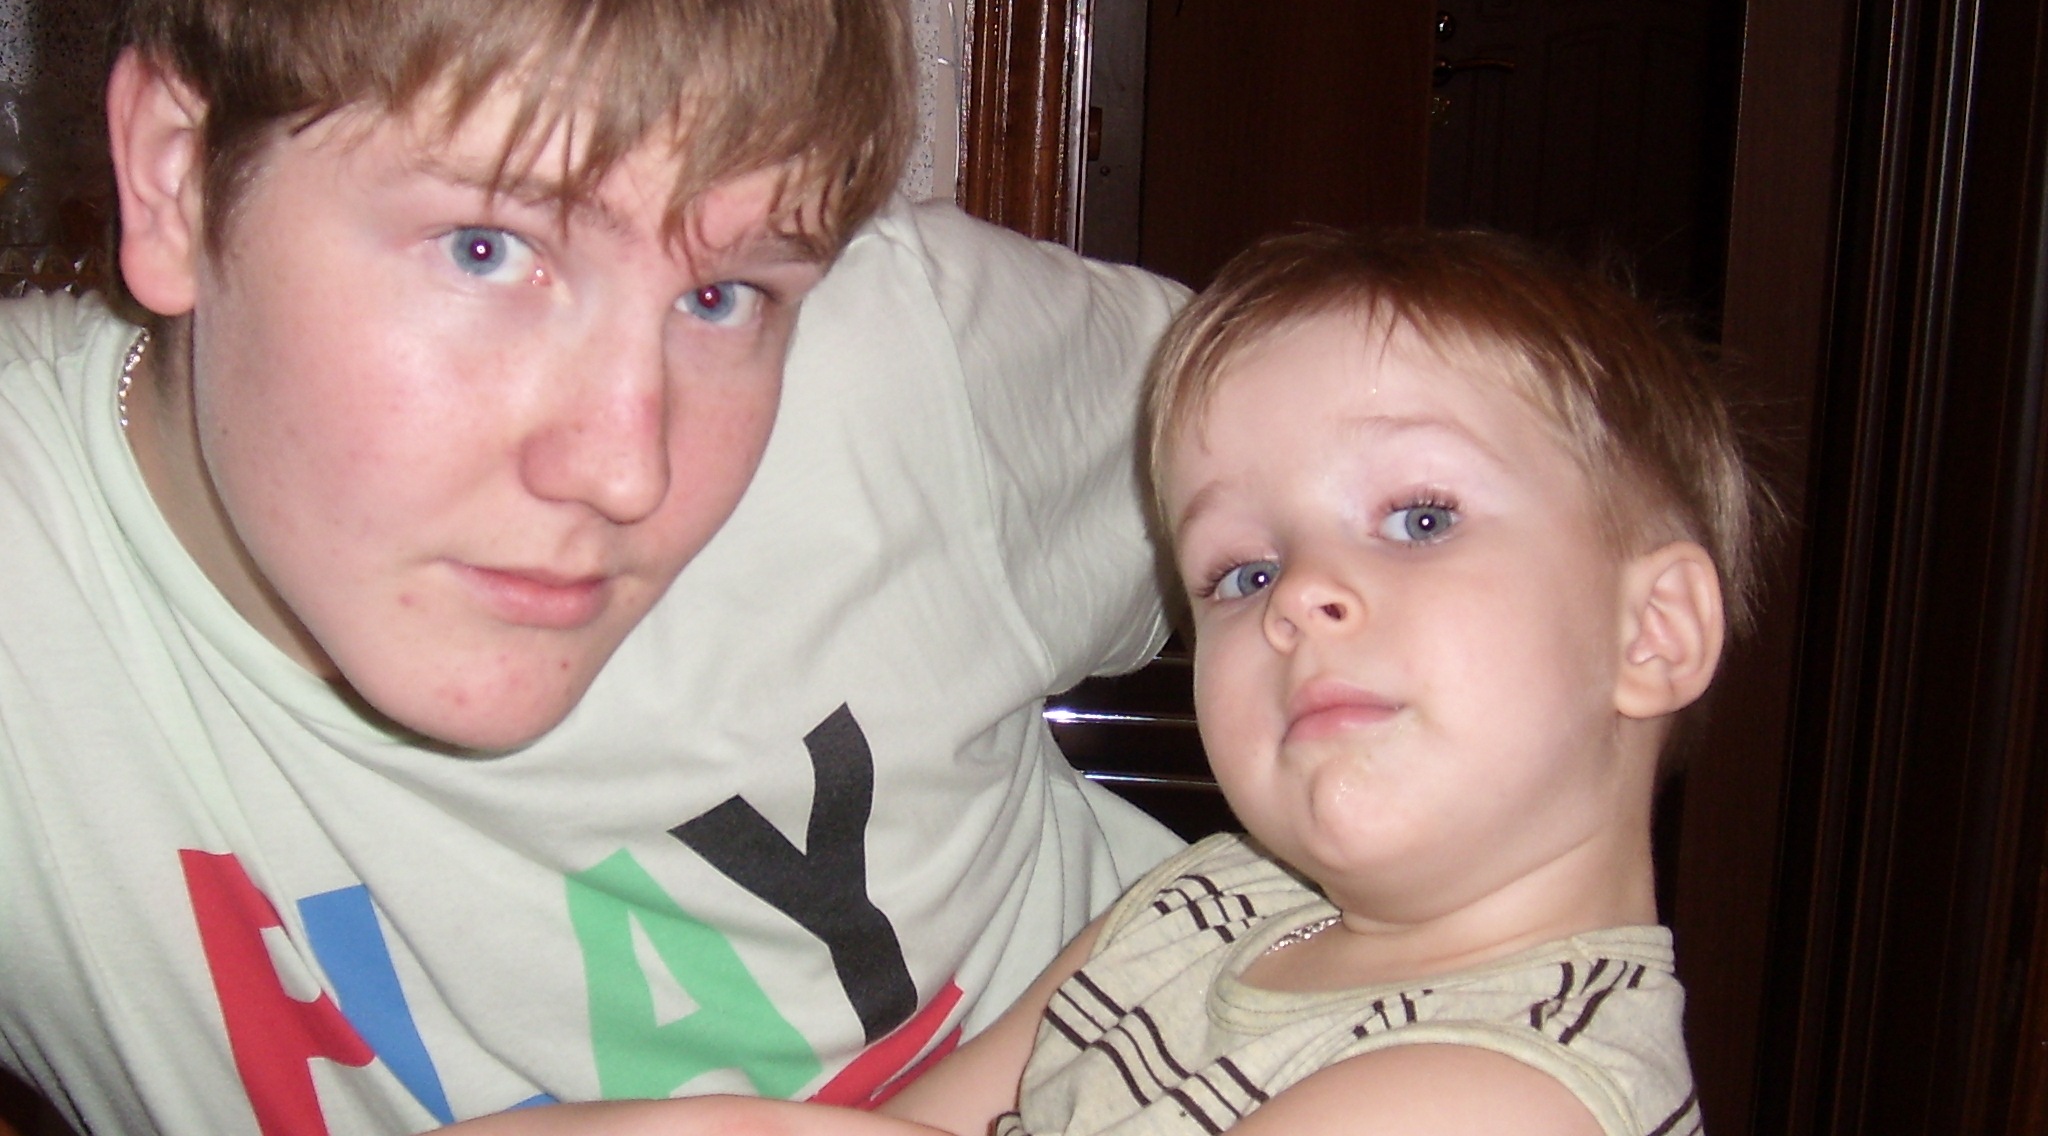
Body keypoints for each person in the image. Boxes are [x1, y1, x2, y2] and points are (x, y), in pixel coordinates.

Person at [0, 0, 1186, 1136]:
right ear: (175, 181)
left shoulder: (905, 359)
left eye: (722, 295)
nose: (630, 466)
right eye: (488, 250)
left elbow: (1462, 471)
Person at [466, 226, 1767, 1136]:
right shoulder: (1202, 905)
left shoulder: (1521, 1091)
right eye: (1243, 572)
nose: (1302, 597)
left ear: (1650, 634)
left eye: (1419, 518)